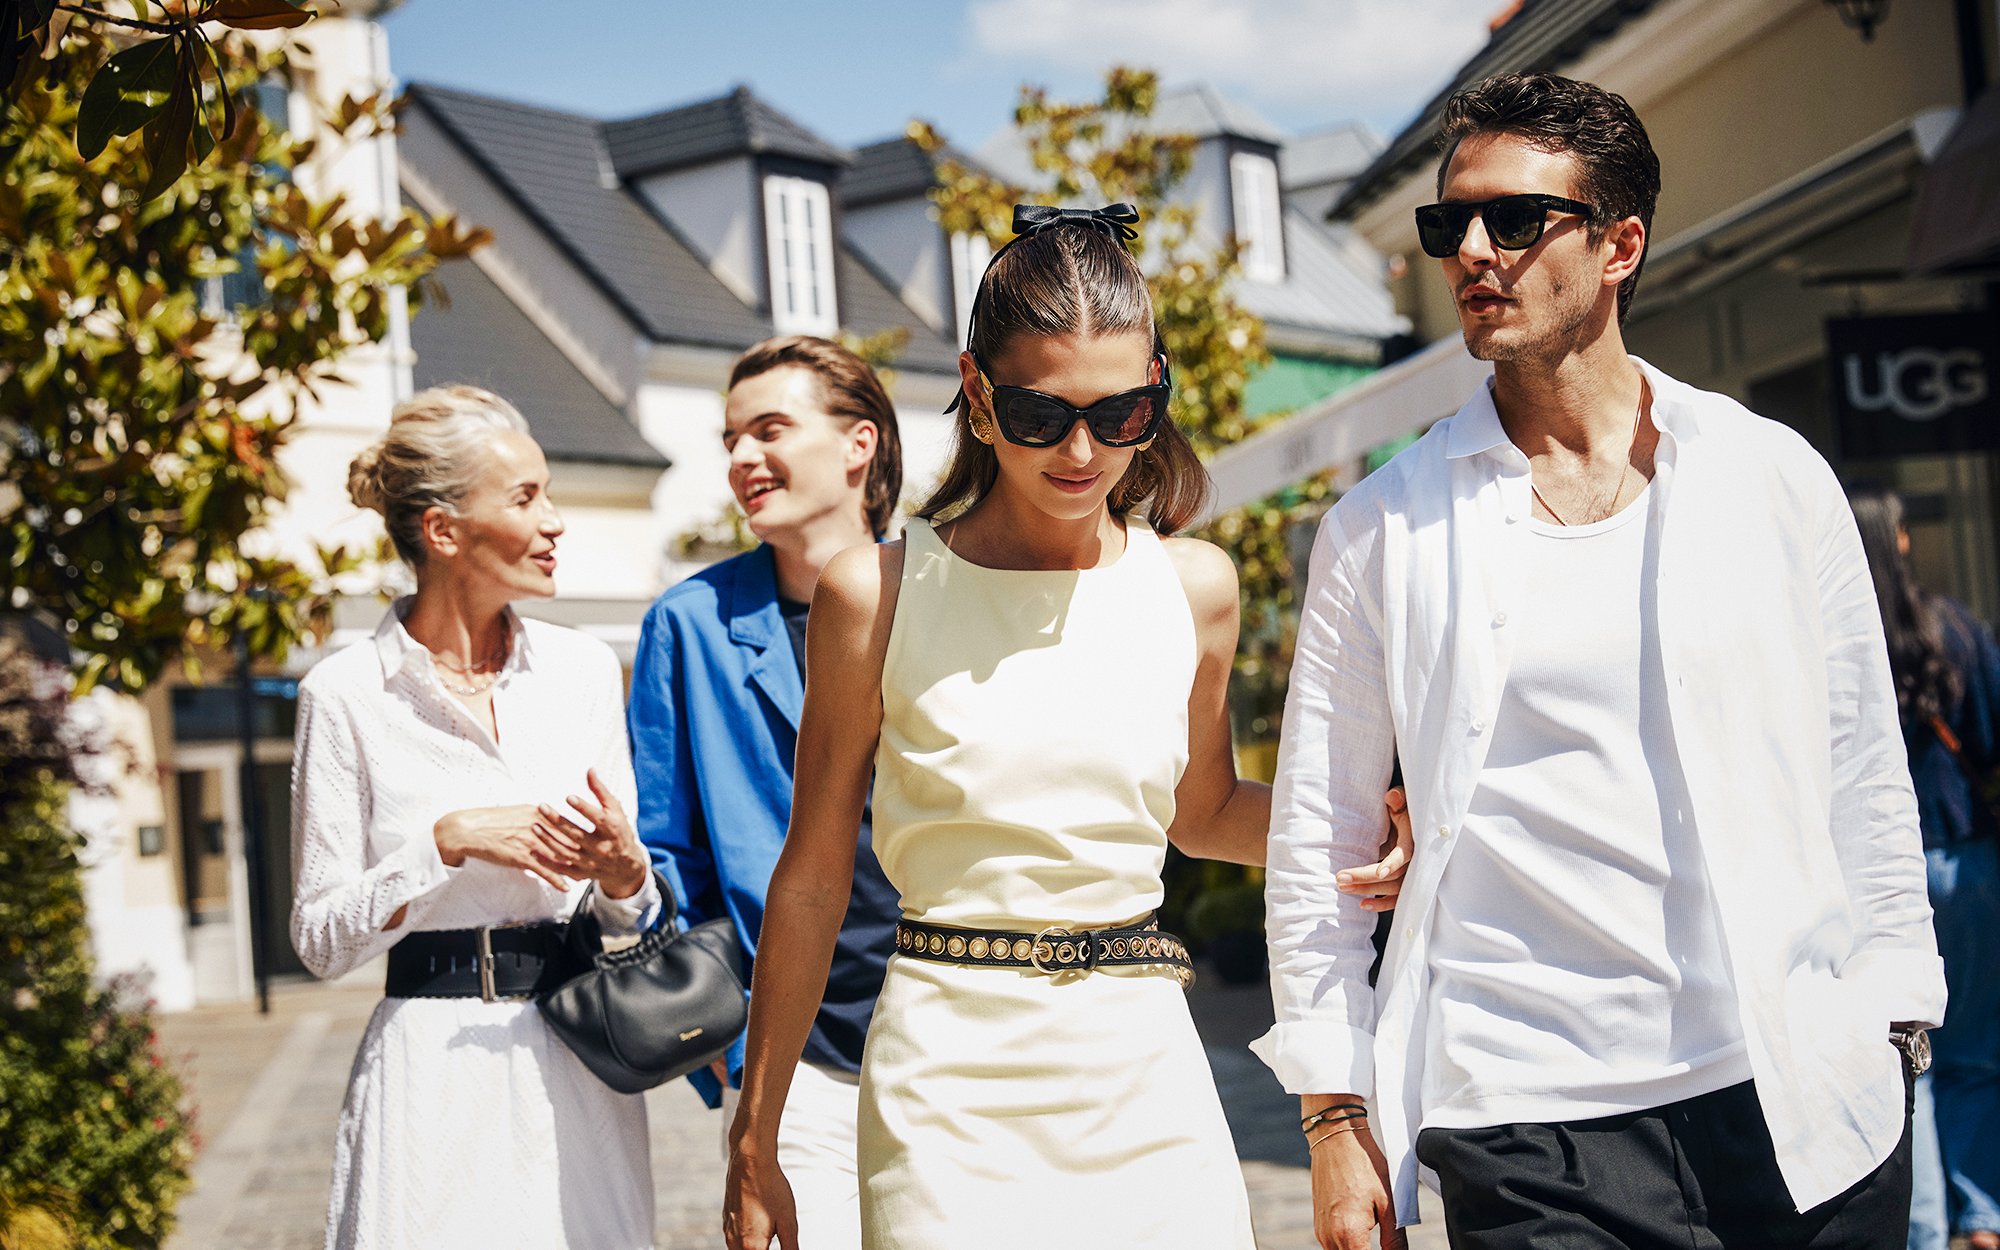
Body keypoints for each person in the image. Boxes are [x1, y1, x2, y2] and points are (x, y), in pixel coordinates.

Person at [1258, 72, 1946, 1250]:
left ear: (1619, 243)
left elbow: (1861, 776)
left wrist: (1897, 1020)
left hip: (1796, 1094)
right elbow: (1313, 846)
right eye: (1449, 223)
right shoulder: (1378, 528)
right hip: (1527, 1120)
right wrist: (1333, 1114)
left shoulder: (1766, 475)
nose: (1472, 250)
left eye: (1516, 220)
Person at [720, 205, 1412, 1250]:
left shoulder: (1194, 586)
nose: (1083, 450)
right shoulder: (874, 591)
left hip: (1140, 1066)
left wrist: (1370, 829)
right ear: (976, 391)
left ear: (1156, 389)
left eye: (1121, 411)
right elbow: (813, 870)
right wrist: (753, 1133)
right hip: (943, 1079)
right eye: (1042, 415)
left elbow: (1205, 811)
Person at [291, 385, 661, 1250]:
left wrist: (621, 873)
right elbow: (318, 939)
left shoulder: (579, 672)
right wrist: (443, 844)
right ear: (444, 531)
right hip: (429, 1072)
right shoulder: (342, 696)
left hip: (579, 1061)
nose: (555, 521)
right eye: (527, 497)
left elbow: (629, 912)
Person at [628, 335, 908, 1250]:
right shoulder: (690, 624)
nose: (742, 458)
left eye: (770, 430)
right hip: (790, 1068)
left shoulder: (941, 594)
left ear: (858, 444)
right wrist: (727, 1042)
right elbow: (667, 848)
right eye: (732, 439)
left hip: (951, 1035)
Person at [1849, 485, 2000, 1250]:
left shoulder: (1838, 639)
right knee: (1975, 1052)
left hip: (1878, 877)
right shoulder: (1958, 631)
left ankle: (1928, 1230)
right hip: (1967, 864)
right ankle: (1982, 1216)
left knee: (1915, 1065)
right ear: (1901, 540)